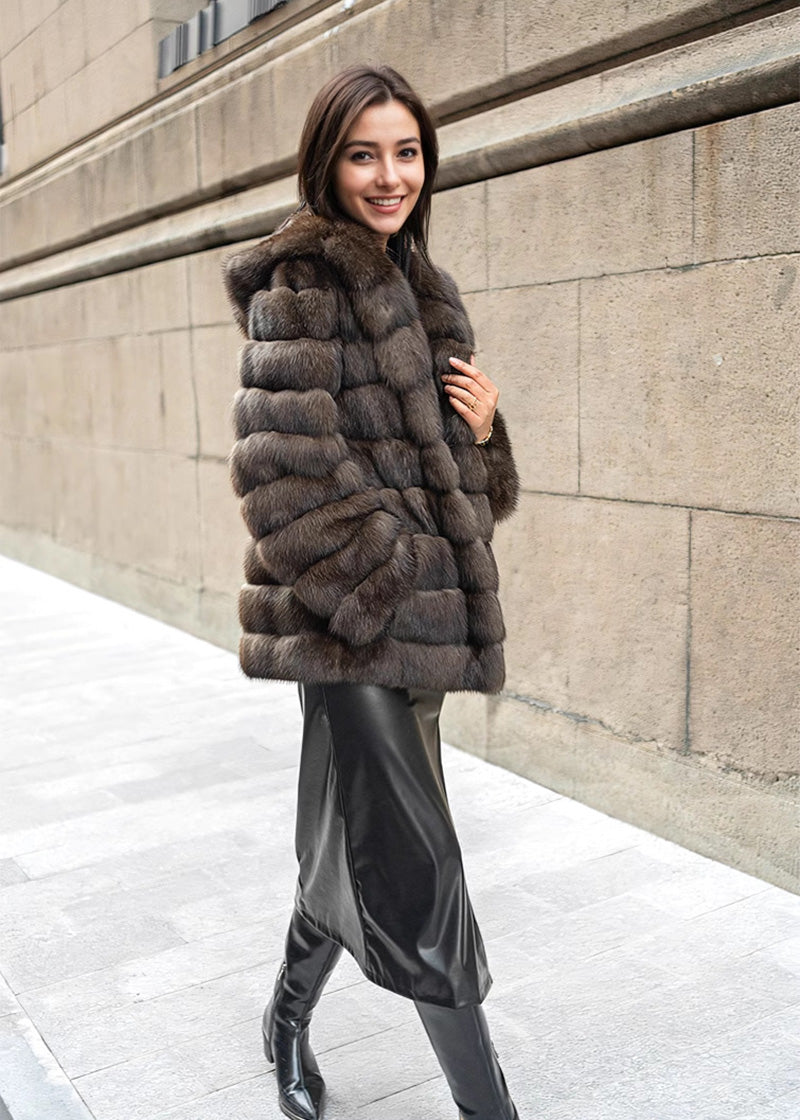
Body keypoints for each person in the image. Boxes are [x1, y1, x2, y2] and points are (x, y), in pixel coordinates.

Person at [223, 63, 521, 1120]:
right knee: (420, 878)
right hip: (351, 635)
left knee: (352, 852)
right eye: (363, 152)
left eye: (405, 150)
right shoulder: (295, 289)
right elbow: (280, 478)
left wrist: (485, 440)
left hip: (418, 638)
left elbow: (462, 492)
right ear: (327, 162)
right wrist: (383, 579)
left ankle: (283, 1023)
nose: (389, 174)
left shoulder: (427, 294)